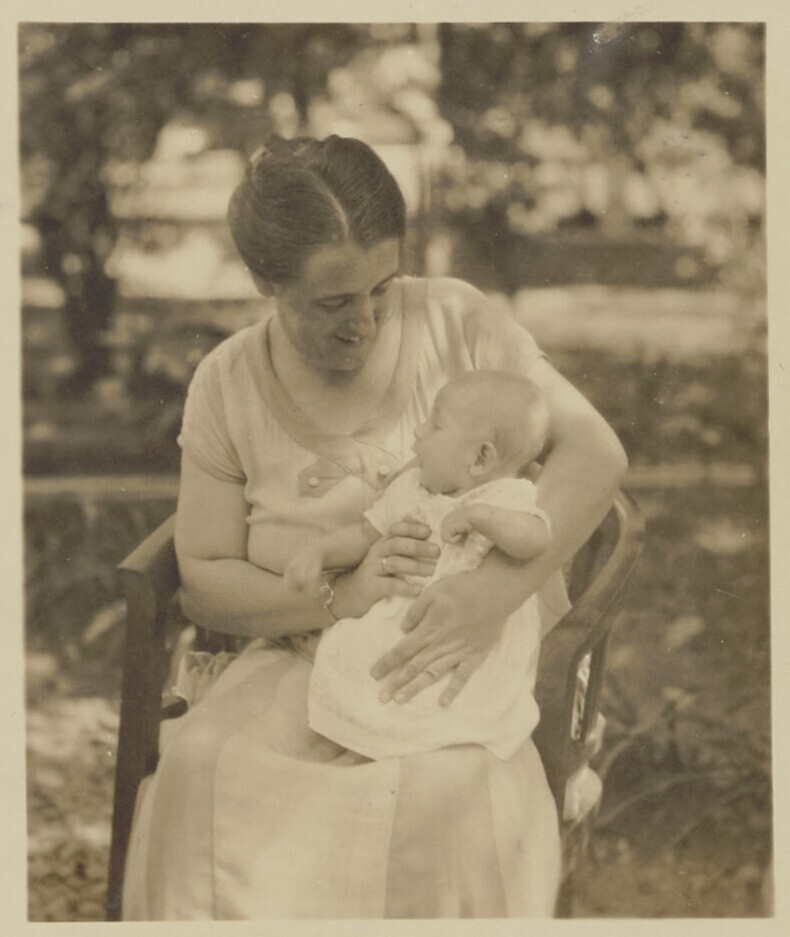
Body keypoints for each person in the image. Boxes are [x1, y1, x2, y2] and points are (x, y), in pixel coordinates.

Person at [121, 134, 627, 920]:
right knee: (204, 770)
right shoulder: (227, 384)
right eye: (332, 303)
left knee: (445, 794)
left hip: (460, 659)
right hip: (299, 654)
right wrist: (341, 597)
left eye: (381, 289)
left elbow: (596, 452)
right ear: (266, 280)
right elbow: (208, 576)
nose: (363, 322)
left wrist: (488, 597)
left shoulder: (454, 322)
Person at [285, 370, 553, 761]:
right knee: (362, 667)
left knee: (433, 694)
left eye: (435, 426)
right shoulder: (412, 487)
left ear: (480, 458)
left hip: (465, 635)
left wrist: (482, 517)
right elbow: (365, 533)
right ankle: (360, 739)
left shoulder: (506, 497)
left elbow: (536, 539)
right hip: (402, 620)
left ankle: (395, 749)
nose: (417, 433)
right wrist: (320, 553)